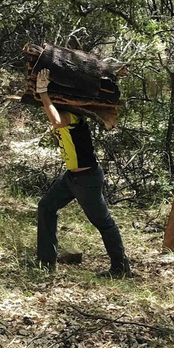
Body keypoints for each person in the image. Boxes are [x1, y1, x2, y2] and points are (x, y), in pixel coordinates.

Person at [35, 70, 130, 277]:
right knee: (46, 207)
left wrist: (43, 93)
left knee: (104, 223)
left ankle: (120, 268)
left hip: (87, 180)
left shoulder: (73, 117)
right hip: (71, 178)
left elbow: (57, 121)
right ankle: (46, 262)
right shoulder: (64, 115)